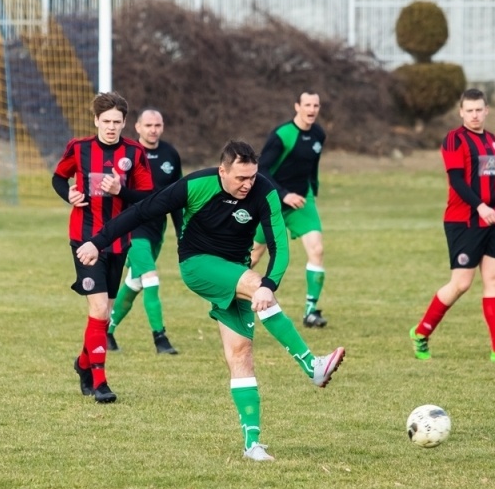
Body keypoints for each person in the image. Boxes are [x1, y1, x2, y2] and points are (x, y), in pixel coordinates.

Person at [75, 141, 346, 461]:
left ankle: (252, 444)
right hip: (198, 265)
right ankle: (311, 365)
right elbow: (142, 210)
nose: (248, 184)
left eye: (252, 177)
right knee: (254, 283)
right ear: (223, 171)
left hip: (235, 269)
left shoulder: (264, 190)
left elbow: (279, 245)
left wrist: (270, 284)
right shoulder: (196, 184)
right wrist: (97, 241)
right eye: (240, 178)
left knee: (241, 354)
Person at [409, 89, 495, 363]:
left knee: (493, 280)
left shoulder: (492, 140)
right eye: (470, 110)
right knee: (461, 283)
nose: (475, 115)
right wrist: (480, 207)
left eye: (479, 110)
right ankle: (420, 333)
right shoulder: (454, 139)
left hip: (493, 220)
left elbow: (491, 179)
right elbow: (457, 181)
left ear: (487, 110)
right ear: (461, 112)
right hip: (463, 221)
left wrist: (494, 209)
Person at [53, 93, 154, 404]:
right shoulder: (79, 148)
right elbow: (59, 177)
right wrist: (68, 195)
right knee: (97, 310)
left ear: (125, 123)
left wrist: (120, 189)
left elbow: (148, 198)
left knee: (105, 315)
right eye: (106, 121)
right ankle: (100, 382)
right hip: (84, 239)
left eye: (117, 122)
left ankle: (83, 364)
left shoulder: (134, 152)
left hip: (119, 240)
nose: (111, 127)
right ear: (95, 120)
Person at [106, 109, 182, 355]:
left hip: (155, 230)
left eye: (157, 125)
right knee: (151, 278)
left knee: (135, 282)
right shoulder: (125, 154)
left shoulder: (171, 154)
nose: (153, 129)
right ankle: (160, 338)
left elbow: (177, 198)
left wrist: (182, 234)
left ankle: (106, 330)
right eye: (148, 125)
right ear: (137, 127)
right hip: (130, 227)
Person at [258, 91, 329, 328]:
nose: (311, 109)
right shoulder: (282, 135)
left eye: (316, 105)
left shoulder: (319, 134)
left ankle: (310, 311)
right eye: (307, 104)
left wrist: (313, 189)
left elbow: (312, 166)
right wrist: (283, 194)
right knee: (254, 254)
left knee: (317, 249)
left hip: (301, 200)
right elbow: (262, 170)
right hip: (272, 199)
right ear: (297, 106)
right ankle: (228, 298)